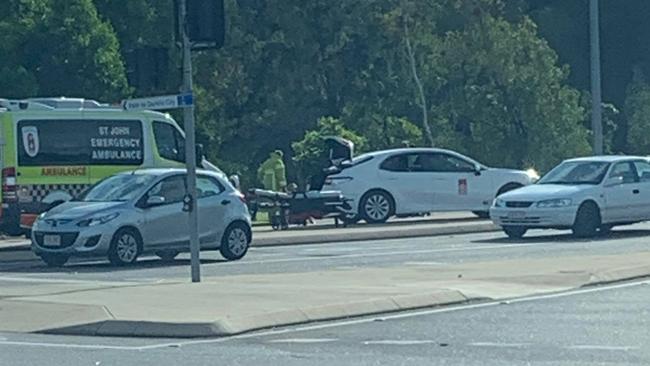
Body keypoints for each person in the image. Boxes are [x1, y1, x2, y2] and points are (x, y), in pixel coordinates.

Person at [257, 150, 289, 228]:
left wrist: (263, 181)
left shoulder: (267, 162)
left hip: (267, 187)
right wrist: (284, 187)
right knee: (280, 205)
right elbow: (280, 176)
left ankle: (273, 221)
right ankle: (283, 223)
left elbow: (259, 173)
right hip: (276, 187)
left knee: (271, 204)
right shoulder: (278, 162)